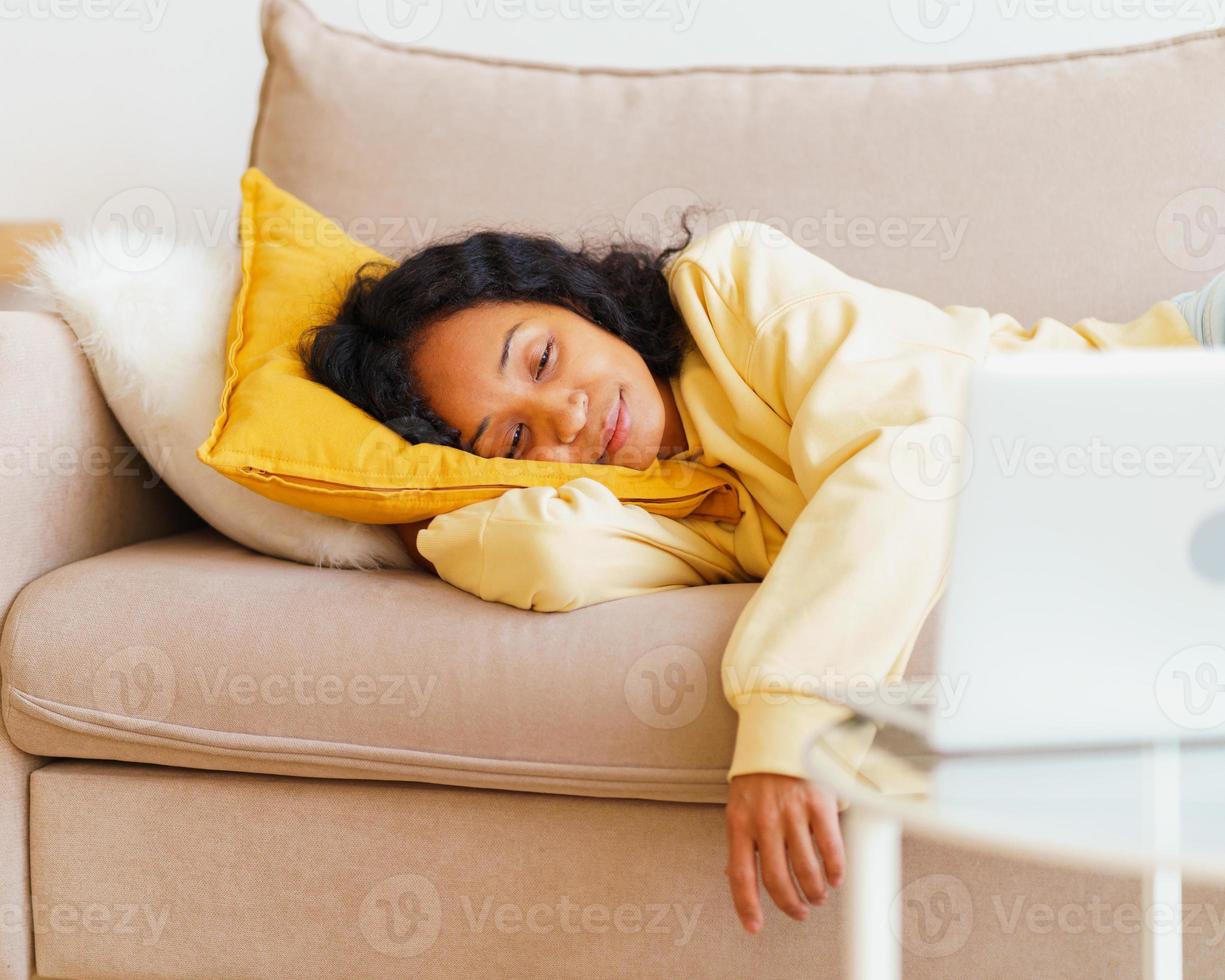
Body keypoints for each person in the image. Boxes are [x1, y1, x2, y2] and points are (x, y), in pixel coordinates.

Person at [299, 216, 1216, 934]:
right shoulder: (659, 501)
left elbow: (916, 459)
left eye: (540, 357)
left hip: (1181, 378)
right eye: (511, 440)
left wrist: (785, 718)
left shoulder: (733, 288)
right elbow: (541, 553)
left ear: (574, 301)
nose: (566, 414)